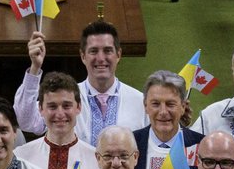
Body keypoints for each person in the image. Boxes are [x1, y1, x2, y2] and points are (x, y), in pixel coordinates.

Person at [13, 20, 147, 144]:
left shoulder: (140, 102)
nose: (101, 58)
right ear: (83, 56)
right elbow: (25, 121)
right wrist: (35, 68)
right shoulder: (65, 99)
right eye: (93, 51)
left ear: (118, 55)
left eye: (107, 51)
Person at [132, 70, 203, 169]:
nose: (163, 112)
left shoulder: (201, 145)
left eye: (170, 104)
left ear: (183, 107)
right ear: (145, 106)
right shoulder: (131, 144)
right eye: (155, 104)